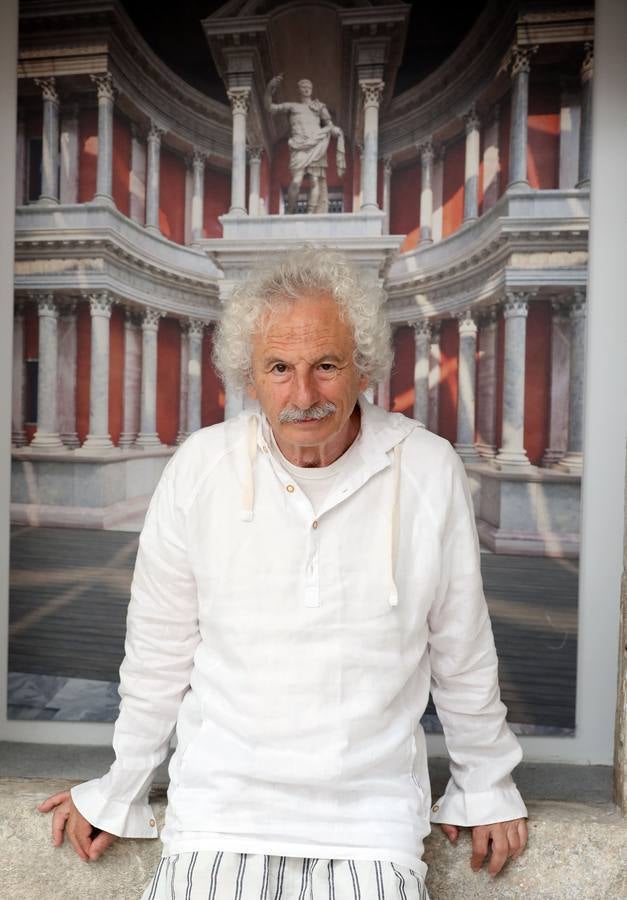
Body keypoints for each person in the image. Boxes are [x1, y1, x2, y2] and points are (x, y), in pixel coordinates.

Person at [39, 247, 528, 899]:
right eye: (279, 368)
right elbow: (159, 649)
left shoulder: (429, 467)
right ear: (250, 375)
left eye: (325, 365)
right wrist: (120, 785)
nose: (303, 395)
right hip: (217, 815)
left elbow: (460, 646)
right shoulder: (201, 465)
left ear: (363, 367)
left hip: (372, 824)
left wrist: (485, 783)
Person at [265, 75, 345, 214]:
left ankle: (310, 213)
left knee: (315, 181)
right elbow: (270, 108)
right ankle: (290, 210)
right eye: (304, 87)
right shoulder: (292, 106)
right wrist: (269, 89)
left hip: (316, 144)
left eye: (309, 87)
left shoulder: (319, 106)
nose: (307, 89)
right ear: (299, 89)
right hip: (299, 146)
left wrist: (334, 130)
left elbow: (329, 124)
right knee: (296, 181)